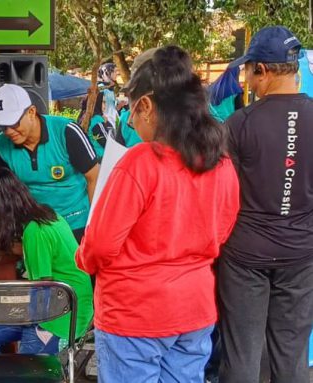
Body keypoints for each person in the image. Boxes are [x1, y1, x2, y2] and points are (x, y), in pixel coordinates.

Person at [75, 46, 240, 383]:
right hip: (194, 311)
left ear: (147, 106)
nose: (131, 122)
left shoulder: (140, 163)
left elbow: (100, 246)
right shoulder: (220, 164)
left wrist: (83, 258)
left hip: (134, 315)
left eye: (133, 112)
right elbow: (222, 230)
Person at [217, 26, 313, 383]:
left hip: (245, 256)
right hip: (301, 253)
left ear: (264, 70)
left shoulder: (238, 124)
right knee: (292, 355)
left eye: (249, 71)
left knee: (242, 354)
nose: (247, 81)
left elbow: (221, 194)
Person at [0, 167, 93, 355]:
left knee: (25, 370)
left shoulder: (35, 232)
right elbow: (31, 251)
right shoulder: (47, 215)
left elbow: (42, 294)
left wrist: (0, 314)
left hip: (61, 316)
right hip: (63, 305)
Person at [0, 84, 99, 242]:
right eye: (3, 126)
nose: (8, 132)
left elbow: (94, 178)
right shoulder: (0, 147)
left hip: (77, 226)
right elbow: (5, 196)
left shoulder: (66, 131)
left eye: (13, 123)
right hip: (35, 230)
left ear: (31, 112)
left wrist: (96, 228)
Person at [87, 91, 114, 161]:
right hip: (100, 159)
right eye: (103, 102)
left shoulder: (90, 117)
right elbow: (107, 142)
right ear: (97, 102)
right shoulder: (97, 120)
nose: (105, 105)